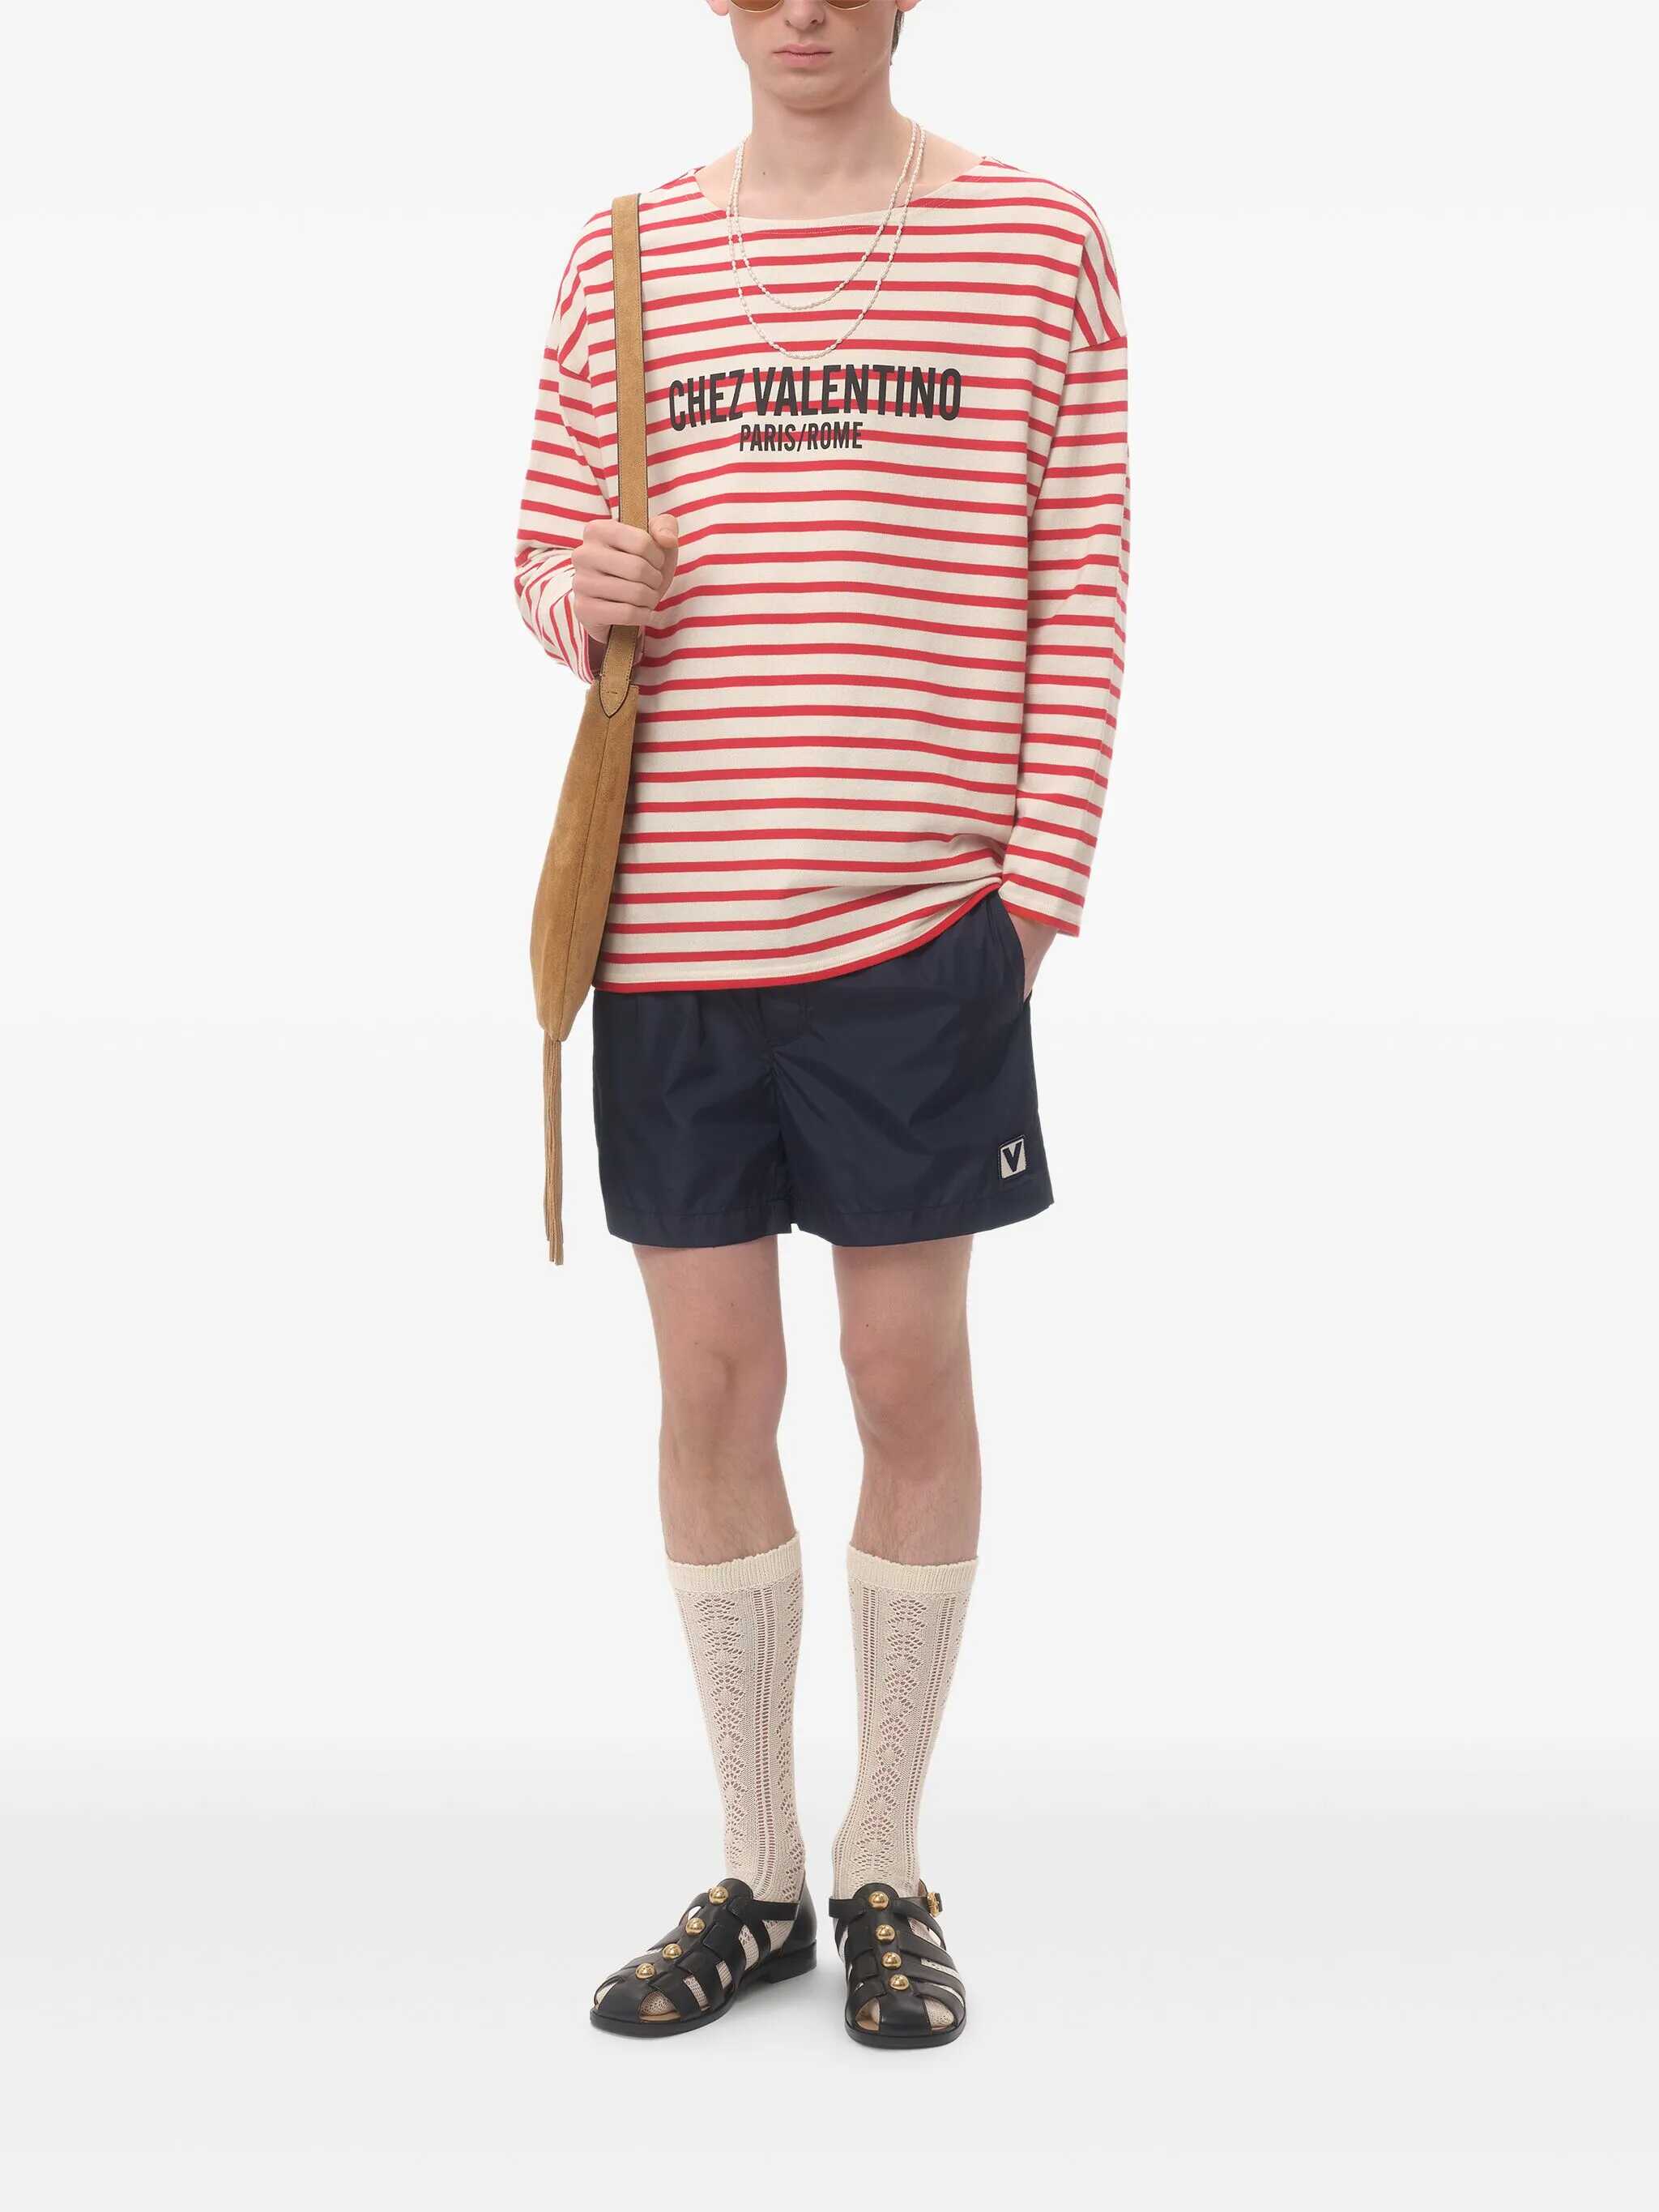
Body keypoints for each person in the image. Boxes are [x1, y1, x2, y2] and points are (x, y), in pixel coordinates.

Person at [512, 0, 1128, 2048]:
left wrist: (1028, 902)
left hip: (920, 928)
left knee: (900, 1370)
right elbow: (537, 562)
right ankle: (758, 1871)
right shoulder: (622, 252)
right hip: (667, 931)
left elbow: (1080, 583)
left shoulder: (1036, 238)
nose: (803, 10)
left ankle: (884, 1856)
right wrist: (584, 587)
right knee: (710, 1386)